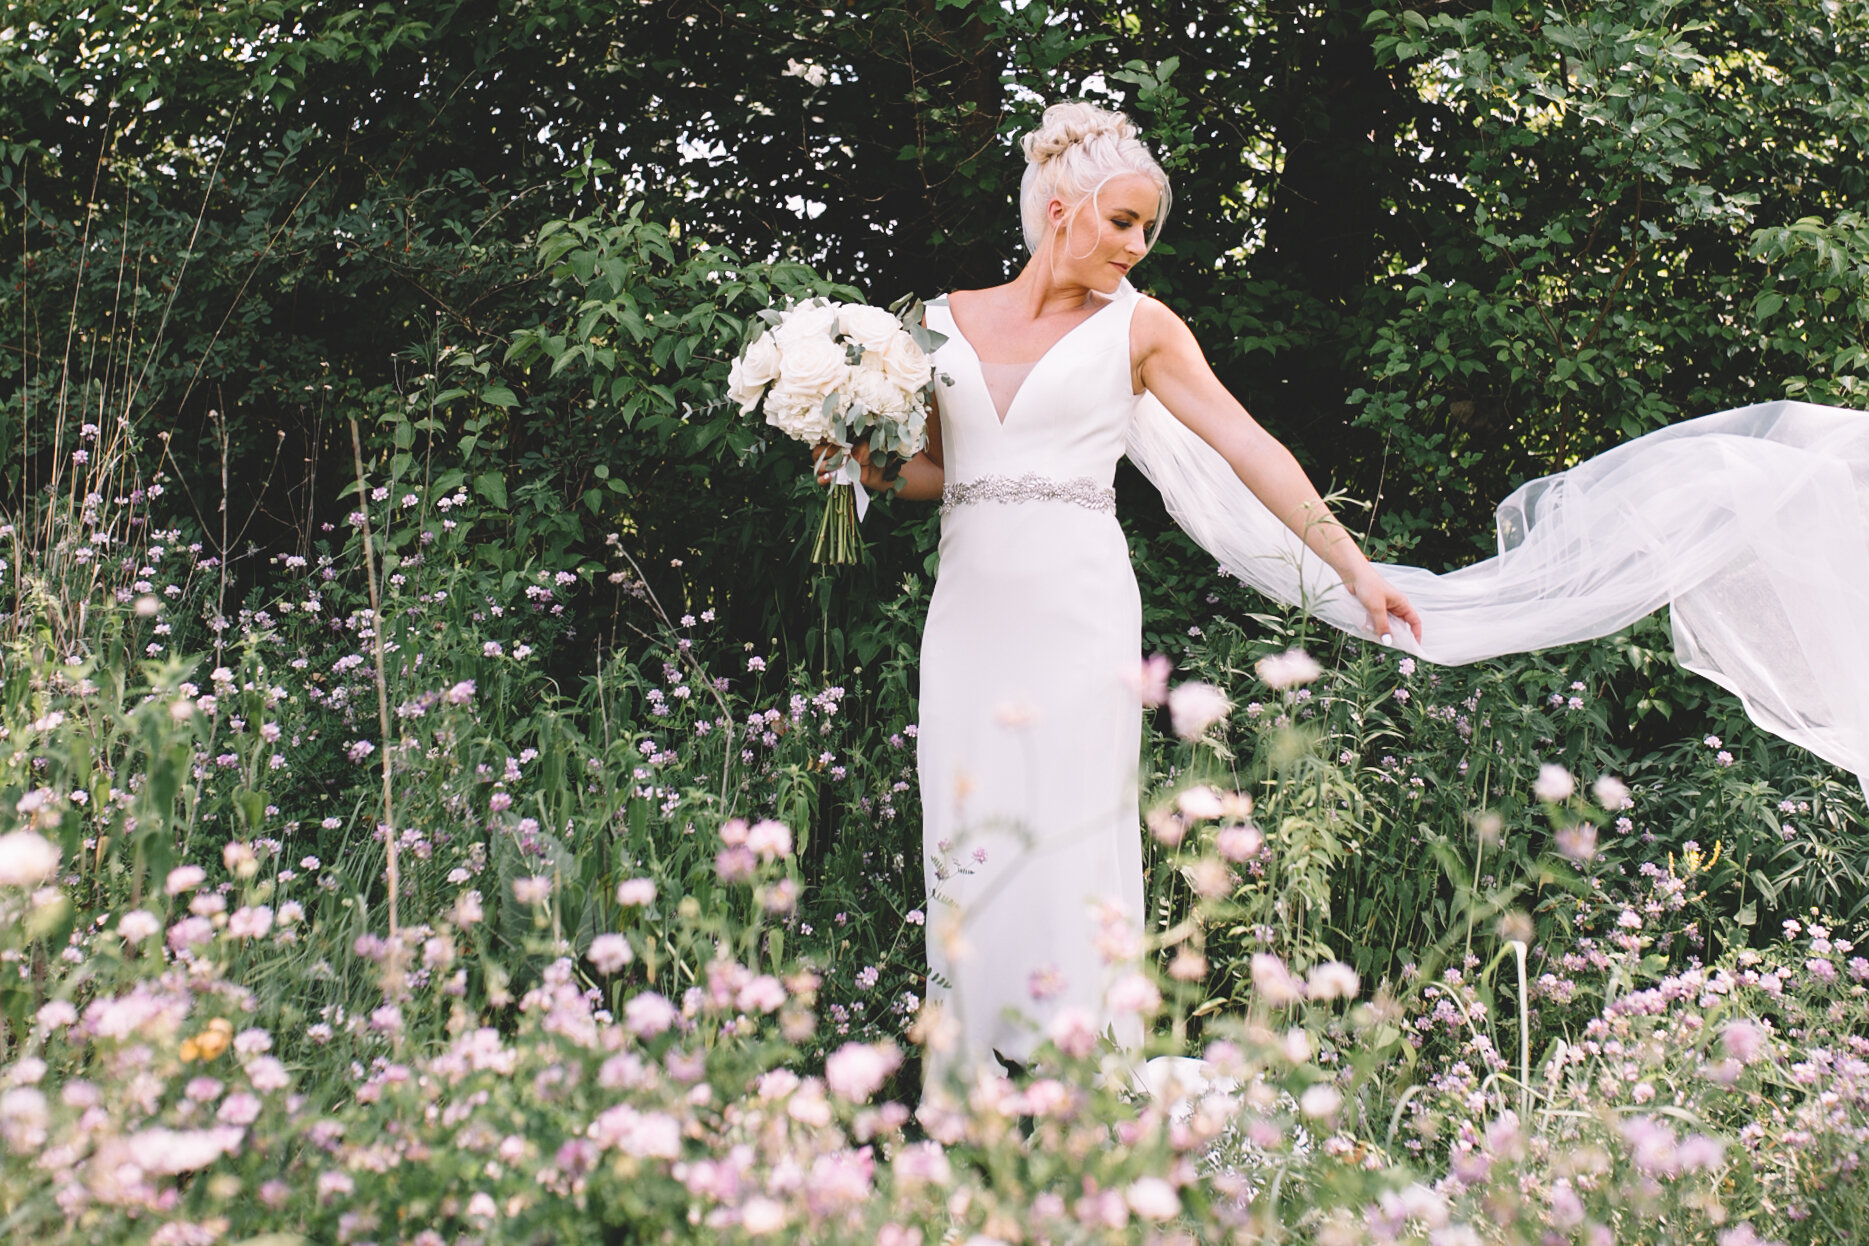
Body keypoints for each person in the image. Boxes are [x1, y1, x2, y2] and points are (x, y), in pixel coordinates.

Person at [818, 100, 1422, 1087]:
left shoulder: (1141, 328)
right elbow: (929, 473)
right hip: (970, 617)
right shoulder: (935, 323)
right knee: (969, 826)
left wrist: (1352, 566)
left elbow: (1249, 446)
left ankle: (1083, 1075)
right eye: (1123, 222)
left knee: (1072, 827)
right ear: (1061, 207)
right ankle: (975, 1078)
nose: (1136, 246)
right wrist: (848, 460)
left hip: (1080, 610)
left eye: (1148, 229)